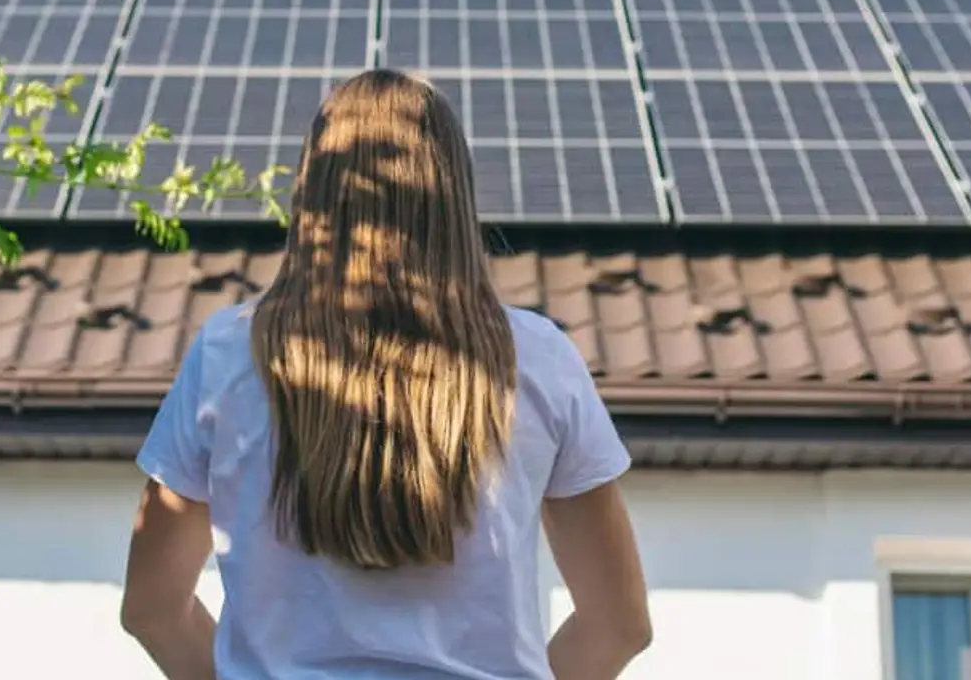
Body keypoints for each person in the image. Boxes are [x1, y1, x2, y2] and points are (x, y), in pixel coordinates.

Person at [121, 68, 652, 680]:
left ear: (313, 188)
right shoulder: (537, 358)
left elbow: (152, 609)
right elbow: (620, 625)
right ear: (452, 190)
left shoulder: (227, 353)